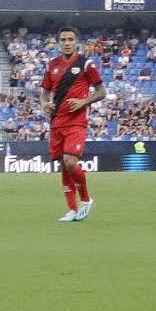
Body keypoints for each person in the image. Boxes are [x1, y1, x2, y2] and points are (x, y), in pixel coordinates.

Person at [40, 29, 104, 222]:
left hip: (76, 122)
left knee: (70, 162)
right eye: (63, 40)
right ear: (59, 43)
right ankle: (72, 209)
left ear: (77, 42)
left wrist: (83, 101)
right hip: (56, 123)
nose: (67, 43)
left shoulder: (86, 64)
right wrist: (44, 104)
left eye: (70, 39)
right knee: (64, 165)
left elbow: (101, 91)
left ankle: (86, 199)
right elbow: (44, 93)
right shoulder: (52, 65)